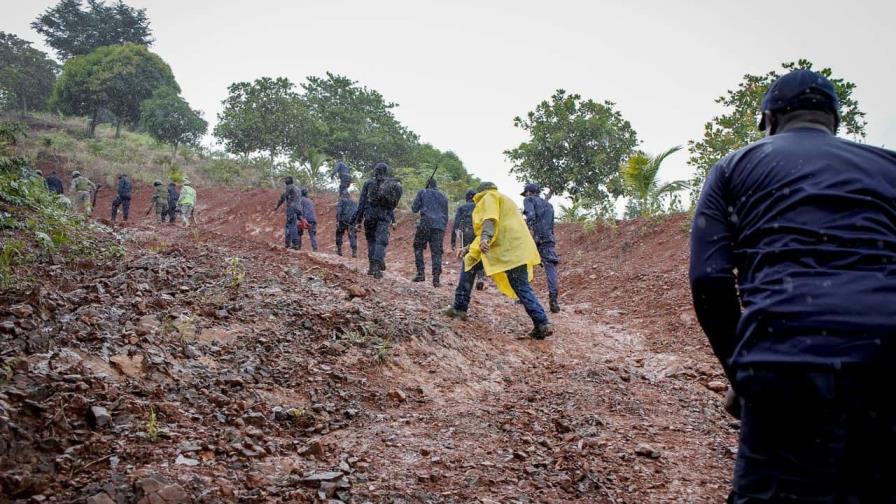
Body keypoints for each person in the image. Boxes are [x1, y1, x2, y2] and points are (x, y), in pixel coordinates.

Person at [690, 69, 896, 503]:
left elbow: (709, 280)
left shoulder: (734, 167)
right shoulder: (889, 168)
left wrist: (740, 372)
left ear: (768, 119)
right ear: (835, 121)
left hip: (785, 355)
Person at [443, 182, 553, 339]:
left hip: (503, 249)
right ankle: (542, 322)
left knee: (469, 264)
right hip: (518, 249)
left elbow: (490, 219)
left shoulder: (489, 197)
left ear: (479, 193)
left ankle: (459, 308)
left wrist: (485, 238)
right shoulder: (505, 199)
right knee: (521, 285)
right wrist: (468, 248)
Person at [353, 162, 401, 279]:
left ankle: (372, 266)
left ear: (375, 171)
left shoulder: (368, 183)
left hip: (370, 216)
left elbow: (362, 203)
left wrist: (358, 221)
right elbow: (391, 206)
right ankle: (377, 266)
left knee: (371, 241)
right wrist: (392, 220)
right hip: (384, 217)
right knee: (380, 241)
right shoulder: (390, 185)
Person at [522, 183, 561, 313]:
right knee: (550, 267)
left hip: (535, 237)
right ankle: (553, 299)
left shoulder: (528, 200)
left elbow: (531, 217)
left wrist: (531, 234)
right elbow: (550, 225)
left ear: (528, 192)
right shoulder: (549, 205)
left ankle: (523, 295)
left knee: (524, 264)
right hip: (548, 238)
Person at [411, 178, 449, 287]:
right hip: (439, 226)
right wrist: (443, 227)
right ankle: (436, 279)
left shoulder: (423, 192)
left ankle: (420, 273)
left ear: (427, 184)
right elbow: (446, 215)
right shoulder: (443, 196)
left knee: (418, 247)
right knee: (436, 252)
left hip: (425, 223)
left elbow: (414, 209)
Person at [452, 189, 485, 290]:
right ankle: (480, 277)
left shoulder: (462, 207)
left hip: (467, 231)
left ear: (466, 198)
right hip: (478, 232)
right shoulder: (480, 207)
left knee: (467, 254)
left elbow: (456, 224)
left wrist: (453, 241)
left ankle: (467, 278)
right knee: (478, 254)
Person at [274, 176, 303, 249]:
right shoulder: (298, 189)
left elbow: (283, 197)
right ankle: (291, 243)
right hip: (299, 208)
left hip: (292, 208)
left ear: (287, 182)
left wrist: (277, 206)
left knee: (291, 225)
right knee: (293, 226)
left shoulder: (289, 187)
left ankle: (294, 244)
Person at [335, 190, 358, 257]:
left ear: (342, 195)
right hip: (352, 221)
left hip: (343, 220)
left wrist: (337, 220)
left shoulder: (341, 201)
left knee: (339, 234)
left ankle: (339, 250)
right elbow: (357, 211)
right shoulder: (354, 202)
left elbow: (339, 211)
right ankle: (354, 251)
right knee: (352, 235)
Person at [298, 187, 318, 251]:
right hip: (313, 219)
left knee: (298, 232)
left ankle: (298, 247)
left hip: (305, 219)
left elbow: (300, 210)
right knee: (312, 234)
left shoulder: (300, 200)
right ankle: (315, 248)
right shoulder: (310, 201)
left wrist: (301, 218)